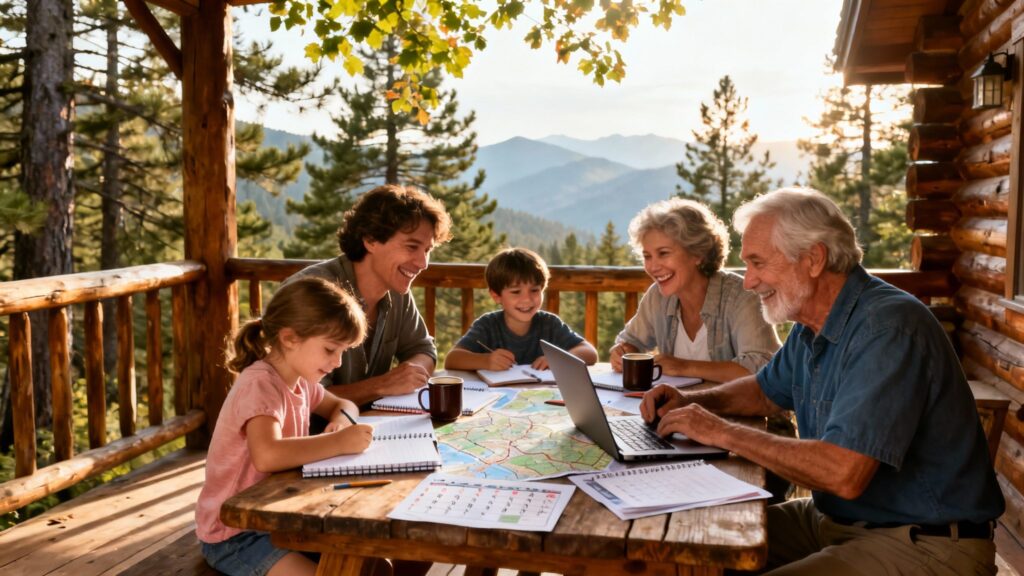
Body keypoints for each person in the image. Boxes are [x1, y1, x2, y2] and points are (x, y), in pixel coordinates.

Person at [641, 188, 1005, 575]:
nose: (748, 282)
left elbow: (842, 474)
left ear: (813, 259)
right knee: (689, 543)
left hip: (923, 542)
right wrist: (693, 403)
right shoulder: (812, 323)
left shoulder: (888, 329)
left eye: (758, 263)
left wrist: (720, 432)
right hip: (837, 519)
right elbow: (765, 391)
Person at [196, 277, 383, 576]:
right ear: (290, 338)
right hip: (237, 534)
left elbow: (343, 405)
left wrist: (339, 424)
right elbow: (267, 454)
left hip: (281, 516)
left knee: (369, 559)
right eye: (330, 349)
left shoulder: (302, 381)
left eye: (343, 352)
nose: (337, 362)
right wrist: (339, 443)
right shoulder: (261, 384)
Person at [284, 185, 453, 405]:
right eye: (412, 247)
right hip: (310, 435)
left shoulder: (397, 289)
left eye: (427, 250)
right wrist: (383, 385)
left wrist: (410, 375)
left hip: (367, 426)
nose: (423, 263)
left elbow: (422, 349)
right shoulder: (313, 294)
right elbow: (300, 396)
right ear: (371, 240)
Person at [610, 197, 780, 383]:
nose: (653, 266)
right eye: (647, 256)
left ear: (698, 253)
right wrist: (622, 352)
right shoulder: (657, 297)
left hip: (734, 411)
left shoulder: (742, 297)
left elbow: (763, 368)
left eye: (663, 253)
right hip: (676, 409)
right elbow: (631, 341)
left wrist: (684, 367)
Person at [445, 247, 598, 371]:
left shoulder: (549, 324)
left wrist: (559, 360)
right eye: (516, 292)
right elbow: (452, 359)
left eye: (535, 290)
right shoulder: (487, 325)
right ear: (496, 295)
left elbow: (589, 352)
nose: (527, 299)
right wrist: (485, 361)